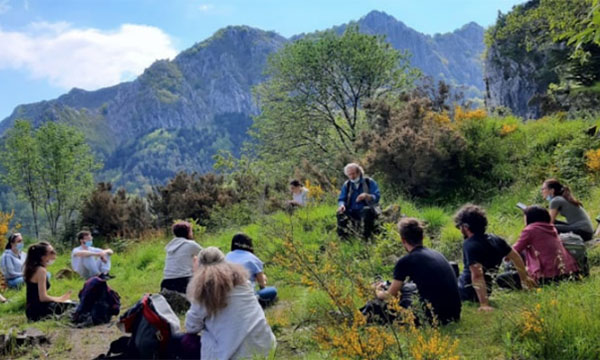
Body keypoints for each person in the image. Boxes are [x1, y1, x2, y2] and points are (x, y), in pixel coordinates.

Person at [185, 247, 276, 360]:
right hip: (266, 347)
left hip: (233, 355)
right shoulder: (244, 283)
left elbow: (191, 327)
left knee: (187, 340)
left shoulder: (203, 293)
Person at [374, 218, 461, 325]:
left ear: (403, 240)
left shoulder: (406, 261)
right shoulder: (436, 253)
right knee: (407, 289)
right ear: (422, 237)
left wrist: (377, 292)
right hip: (454, 313)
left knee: (380, 305)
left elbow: (390, 296)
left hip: (435, 318)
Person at [454, 204, 535, 311]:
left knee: (450, 269)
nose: (459, 229)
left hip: (467, 292)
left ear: (466, 227)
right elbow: (516, 257)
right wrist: (524, 279)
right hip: (487, 289)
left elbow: (477, 275)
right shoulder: (496, 239)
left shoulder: (470, 245)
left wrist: (484, 304)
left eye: (459, 226)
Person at [505, 206, 579, 286]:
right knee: (523, 252)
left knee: (503, 278)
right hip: (569, 273)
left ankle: (525, 283)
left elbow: (514, 250)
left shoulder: (530, 230)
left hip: (547, 277)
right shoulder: (551, 227)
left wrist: (505, 257)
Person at [24, 242, 74, 321]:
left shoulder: (34, 268)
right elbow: (43, 297)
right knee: (74, 306)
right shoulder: (41, 271)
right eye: (51, 252)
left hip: (32, 309)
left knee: (72, 303)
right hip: (37, 311)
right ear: (42, 257)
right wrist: (60, 298)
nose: (54, 254)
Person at [225, 233, 277, 307]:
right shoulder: (253, 259)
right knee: (272, 291)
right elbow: (262, 285)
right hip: (246, 295)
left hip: (227, 295)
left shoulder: (227, 256)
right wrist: (264, 278)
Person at [337, 163, 381, 239]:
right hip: (351, 210)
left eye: (353, 174)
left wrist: (367, 196)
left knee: (366, 211)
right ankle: (344, 239)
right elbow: (341, 199)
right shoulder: (347, 185)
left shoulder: (369, 182)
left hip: (366, 210)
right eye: (349, 175)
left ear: (359, 172)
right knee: (340, 213)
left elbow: (377, 196)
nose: (352, 177)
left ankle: (366, 238)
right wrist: (342, 205)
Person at [161, 221, 202, 294]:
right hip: (183, 281)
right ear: (188, 232)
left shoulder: (170, 246)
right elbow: (206, 255)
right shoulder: (190, 244)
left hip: (166, 282)